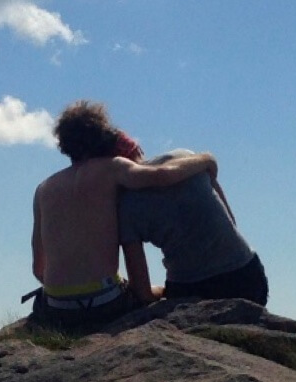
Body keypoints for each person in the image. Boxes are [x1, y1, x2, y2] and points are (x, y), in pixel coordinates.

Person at [26, 100, 216, 331]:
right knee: (151, 293)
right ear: (102, 134)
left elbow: (38, 268)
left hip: (56, 307)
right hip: (105, 302)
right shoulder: (112, 168)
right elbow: (161, 175)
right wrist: (205, 159)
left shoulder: (43, 188)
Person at [117, 148, 267, 306]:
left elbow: (143, 293)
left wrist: (164, 293)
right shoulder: (186, 157)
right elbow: (231, 221)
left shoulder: (125, 206)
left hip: (188, 286)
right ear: (138, 150)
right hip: (245, 272)